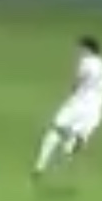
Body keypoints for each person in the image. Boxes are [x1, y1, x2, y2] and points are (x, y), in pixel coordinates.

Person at [33, 36, 102, 177]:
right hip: (95, 108)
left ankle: (40, 166)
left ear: (87, 49)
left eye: (80, 49)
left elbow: (77, 82)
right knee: (76, 134)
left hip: (77, 104)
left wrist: (73, 89)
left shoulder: (86, 62)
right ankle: (72, 144)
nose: (78, 52)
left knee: (54, 131)